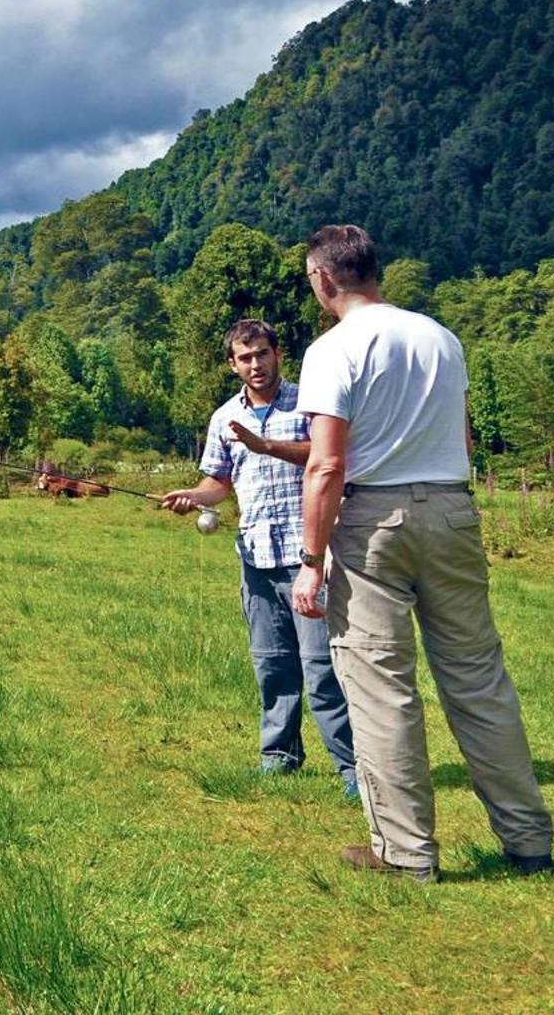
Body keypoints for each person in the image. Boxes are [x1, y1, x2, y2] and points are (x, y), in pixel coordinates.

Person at [291, 224, 553, 883]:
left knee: (382, 690)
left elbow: (325, 466)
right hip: (453, 508)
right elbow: (459, 437)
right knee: (477, 679)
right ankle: (527, 840)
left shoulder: (331, 350)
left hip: (375, 519)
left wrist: (310, 558)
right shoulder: (442, 338)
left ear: (324, 280)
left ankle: (406, 854)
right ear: (373, 270)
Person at [160, 319, 357, 796]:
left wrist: (264, 445)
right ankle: (279, 756)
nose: (255, 365)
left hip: (311, 556)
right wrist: (194, 495)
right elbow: (217, 483)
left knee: (321, 668)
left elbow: (328, 456)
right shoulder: (224, 418)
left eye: (262, 355)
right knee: (272, 664)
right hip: (257, 557)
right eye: (245, 358)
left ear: (277, 355)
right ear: (233, 365)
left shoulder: (309, 402)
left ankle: (352, 770)